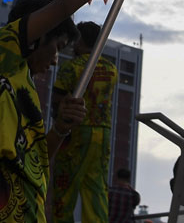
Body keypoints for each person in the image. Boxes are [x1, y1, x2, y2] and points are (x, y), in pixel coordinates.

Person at [0, 0, 149, 223]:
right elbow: (63, 6)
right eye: (58, 46)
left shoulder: (23, 87)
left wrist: (61, 128)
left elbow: (38, 158)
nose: (56, 59)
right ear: (37, 35)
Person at [51, 21, 119, 223]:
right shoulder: (112, 69)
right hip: (103, 132)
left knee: (65, 186)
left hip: (76, 132)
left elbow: (57, 98)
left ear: (80, 40)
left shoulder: (72, 67)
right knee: (96, 187)